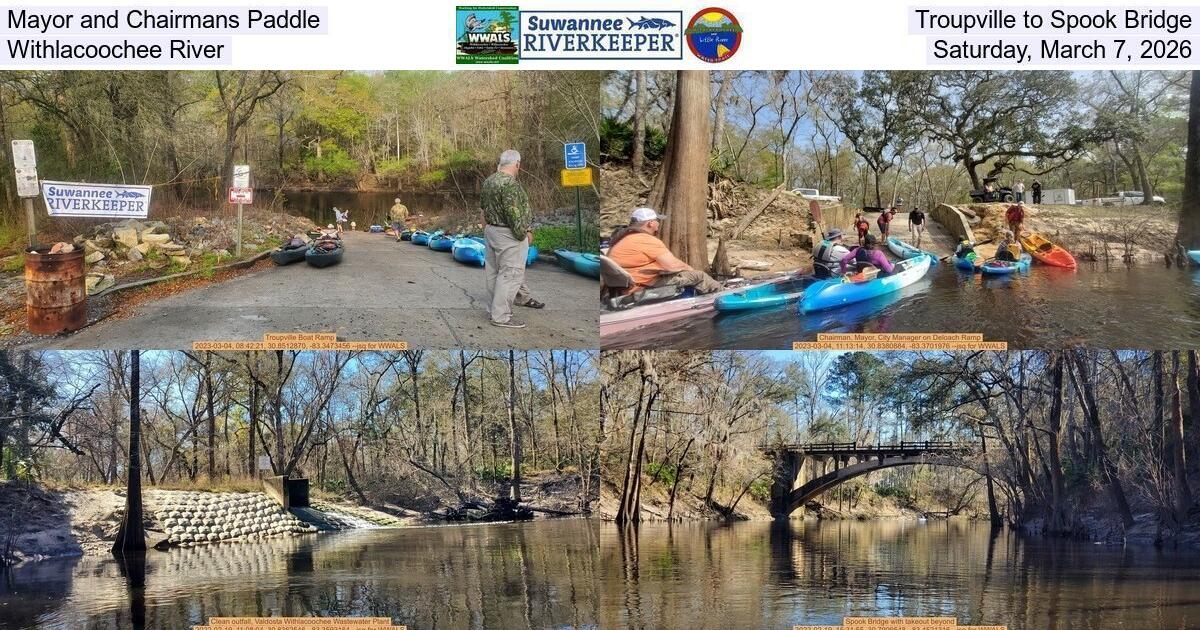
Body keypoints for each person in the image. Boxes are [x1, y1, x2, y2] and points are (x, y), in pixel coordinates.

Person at [481, 149, 544, 329]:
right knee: (510, 275)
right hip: (508, 234)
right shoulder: (510, 184)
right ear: (517, 164)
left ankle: (493, 309)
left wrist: (487, 229)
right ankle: (501, 316)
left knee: (493, 273)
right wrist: (524, 234)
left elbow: (483, 210)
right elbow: (514, 214)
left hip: (491, 230)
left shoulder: (489, 181)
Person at [607, 207, 723, 294]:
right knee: (699, 276)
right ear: (650, 223)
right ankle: (722, 294)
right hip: (640, 285)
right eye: (657, 220)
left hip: (622, 286)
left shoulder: (621, 238)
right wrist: (690, 269)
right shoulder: (646, 240)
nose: (659, 224)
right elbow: (672, 266)